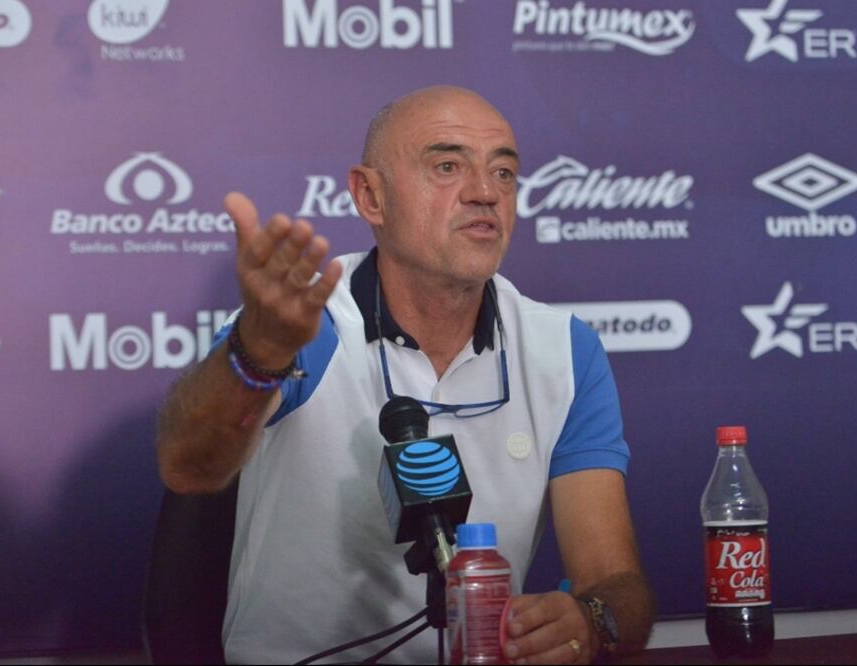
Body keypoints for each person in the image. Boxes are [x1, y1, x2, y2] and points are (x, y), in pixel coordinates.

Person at [156, 85, 654, 664]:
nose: (485, 193)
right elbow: (187, 466)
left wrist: (591, 623)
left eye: (504, 173)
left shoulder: (564, 350)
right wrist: (257, 354)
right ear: (371, 196)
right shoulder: (306, 324)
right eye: (448, 167)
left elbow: (617, 585)